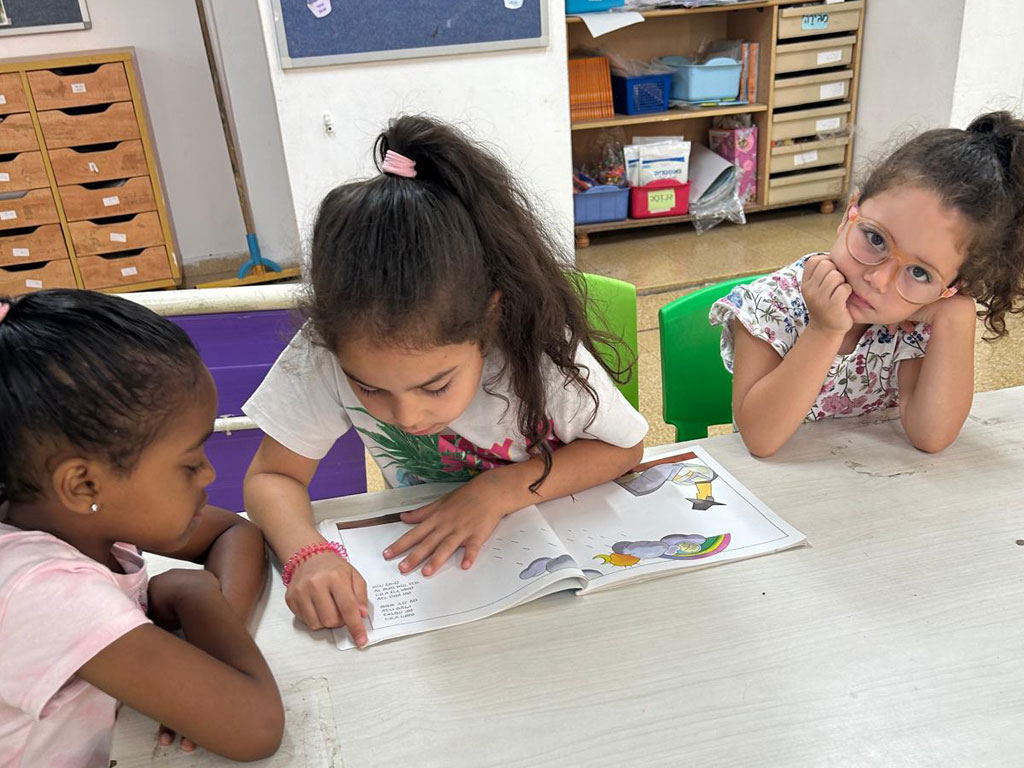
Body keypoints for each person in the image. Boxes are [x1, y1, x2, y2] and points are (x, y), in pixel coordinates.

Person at [243, 115, 648, 647]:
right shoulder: (330, 350)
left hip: (569, 565)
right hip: (452, 592)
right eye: (368, 389)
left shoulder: (533, 348)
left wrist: (500, 490)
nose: (408, 417)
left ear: (489, 320)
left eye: (435, 386)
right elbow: (271, 478)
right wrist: (307, 552)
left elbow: (627, 448)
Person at [0, 290, 284, 766]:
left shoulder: (72, 517)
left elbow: (234, 532)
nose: (210, 475)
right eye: (190, 462)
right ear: (83, 483)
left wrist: (201, 676)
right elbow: (257, 728)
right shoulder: (41, 593)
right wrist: (196, 595)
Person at [710, 111, 1024, 457]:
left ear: (949, 286)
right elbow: (759, 439)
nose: (877, 279)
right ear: (850, 212)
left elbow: (930, 436)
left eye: (920, 273)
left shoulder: (916, 321)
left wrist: (957, 314)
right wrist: (824, 331)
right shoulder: (769, 304)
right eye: (875, 238)